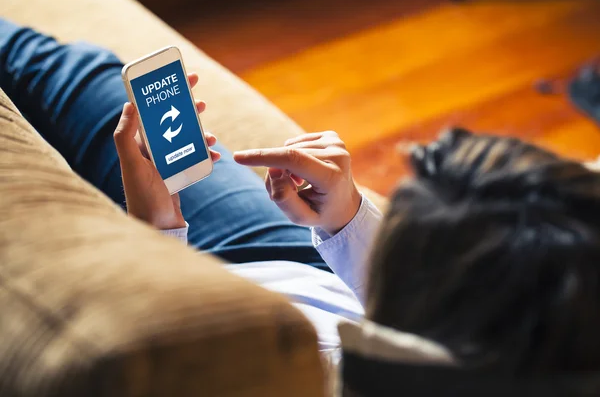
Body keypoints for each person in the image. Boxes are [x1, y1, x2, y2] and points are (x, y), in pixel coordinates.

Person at [3, 19, 600, 376]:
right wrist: (345, 219)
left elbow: (184, 361)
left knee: (65, 88)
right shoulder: (551, 317)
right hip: (292, 260)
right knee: (77, 76)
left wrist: (158, 232)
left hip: (206, 295)